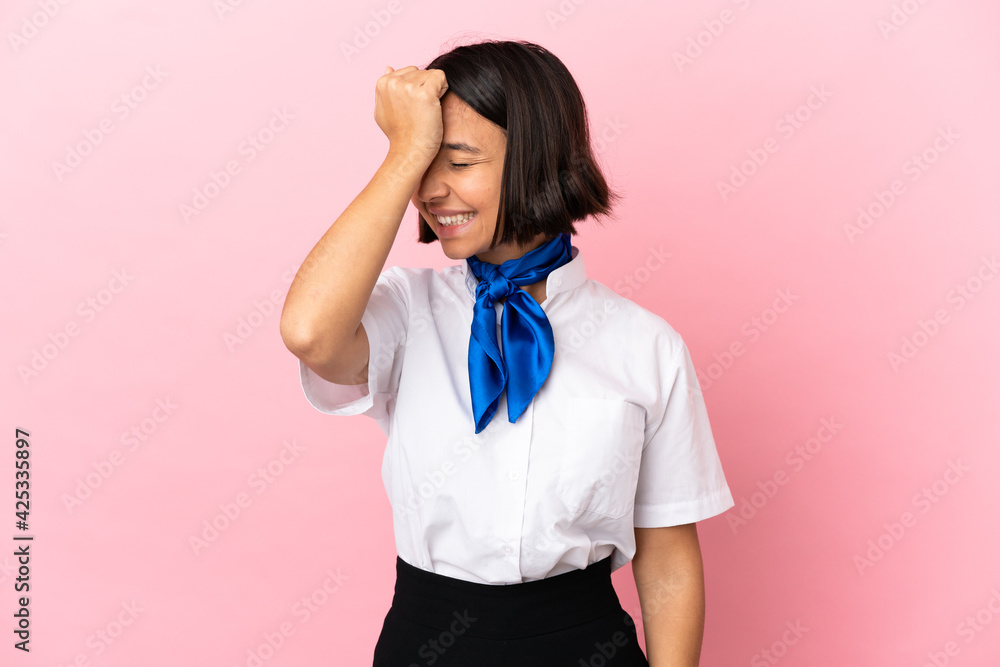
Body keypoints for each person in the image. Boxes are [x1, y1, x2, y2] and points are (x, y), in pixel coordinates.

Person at [280, 39, 734, 667]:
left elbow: (668, 554)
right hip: (427, 643)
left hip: (584, 644)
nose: (429, 191)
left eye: (458, 162)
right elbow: (310, 333)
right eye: (423, 165)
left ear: (536, 160)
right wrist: (402, 152)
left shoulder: (646, 345)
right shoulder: (405, 312)